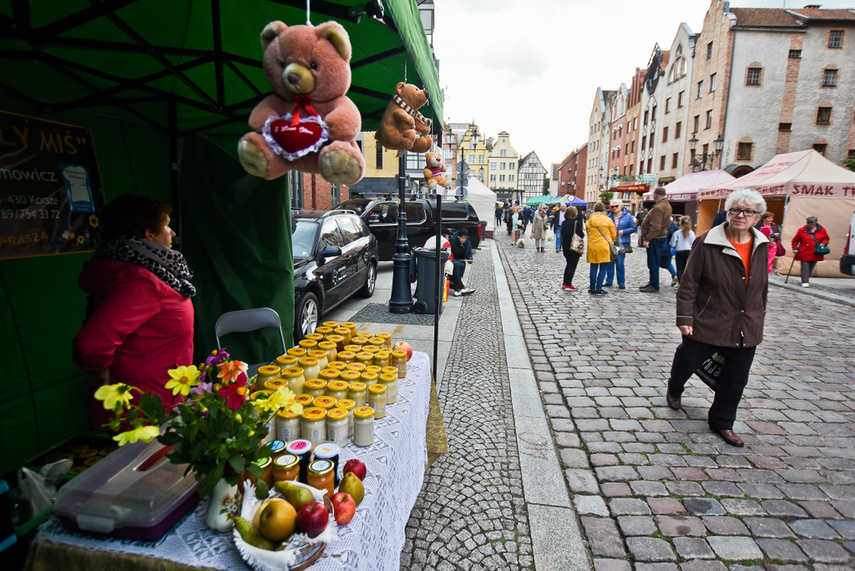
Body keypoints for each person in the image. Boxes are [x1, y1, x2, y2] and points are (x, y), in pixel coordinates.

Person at [72, 193, 196, 431]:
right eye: (167, 225)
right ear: (149, 233)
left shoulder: (143, 270)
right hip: (141, 410)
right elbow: (91, 345)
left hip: (155, 400)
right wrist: (98, 373)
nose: (172, 233)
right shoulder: (140, 281)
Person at [665, 189, 769, 447]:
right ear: (728, 212)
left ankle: (722, 422)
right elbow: (688, 283)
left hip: (746, 324)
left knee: (736, 377)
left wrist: (759, 316)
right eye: (736, 210)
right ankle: (675, 387)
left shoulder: (762, 244)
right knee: (688, 358)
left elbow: (762, 286)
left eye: (748, 211)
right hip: (708, 318)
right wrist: (684, 317)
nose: (740, 215)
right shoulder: (708, 241)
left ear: (757, 217)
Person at [639, 187, 672, 292]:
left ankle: (654, 284)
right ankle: (653, 282)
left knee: (653, 261)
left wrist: (647, 239)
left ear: (656, 195)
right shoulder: (666, 205)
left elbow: (656, 227)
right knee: (655, 261)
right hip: (660, 236)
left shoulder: (658, 208)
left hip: (655, 238)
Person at [604, 199, 637, 289]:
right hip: (611, 242)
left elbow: (633, 227)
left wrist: (624, 231)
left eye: (616, 206)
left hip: (622, 242)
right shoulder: (609, 216)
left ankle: (621, 282)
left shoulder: (627, 216)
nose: (614, 208)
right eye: (612, 206)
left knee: (619, 262)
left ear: (621, 206)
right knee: (610, 262)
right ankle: (609, 281)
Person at [586, 202, 616, 295]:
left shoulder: (590, 220)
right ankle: (599, 288)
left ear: (594, 210)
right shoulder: (608, 220)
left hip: (592, 245)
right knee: (603, 268)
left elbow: (588, 232)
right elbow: (613, 234)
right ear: (604, 209)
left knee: (593, 267)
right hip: (604, 246)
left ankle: (592, 287)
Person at [791, 216, 830, 288]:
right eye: (808, 223)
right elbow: (795, 240)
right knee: (805, 266)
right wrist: (795, 248)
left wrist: (823, 244)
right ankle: (805, 281)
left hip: (815, 252)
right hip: (804, 251)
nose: (809, 225)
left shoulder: (822, 230)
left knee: (811, 266)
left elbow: (826, 238)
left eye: (811, 224)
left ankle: (806, 278)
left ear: (815, 223)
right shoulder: (802, 230)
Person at [561, 206, 585, 291]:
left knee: (568, 265)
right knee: (572, 266)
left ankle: (565, 282)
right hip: (574, 247)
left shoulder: (564, 223)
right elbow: (581, 234)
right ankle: (568, 283)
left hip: (566, 247)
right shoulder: (576, 223)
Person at [450, 228, 475, 296]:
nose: (463, 240)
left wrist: (470, 258)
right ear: (458, 237)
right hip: (453, 257)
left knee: (461, 265)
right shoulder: (453, 240)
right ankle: (459, 287)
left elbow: (469, 251)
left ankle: (458, 285)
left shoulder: (467, 242)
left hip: (461, 258)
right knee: (457, 265)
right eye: (462, 238)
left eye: (465, 238)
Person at [671, 216, 696, 284]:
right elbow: (694, 243)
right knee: (686, 268)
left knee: (679, 268)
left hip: (679, 251)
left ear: (680, 223)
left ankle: (680, 283)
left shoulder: (677, 233)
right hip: (689, 251)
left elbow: (672, 244)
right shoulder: (692, 233)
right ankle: (686, 283)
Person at [660, 218, 679, 287]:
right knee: (668, 263)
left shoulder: (660, 222)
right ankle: (674, 275)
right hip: (670, 246)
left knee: (656, 263)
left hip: (660, 246)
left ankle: (653, 278)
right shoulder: (673, 224)